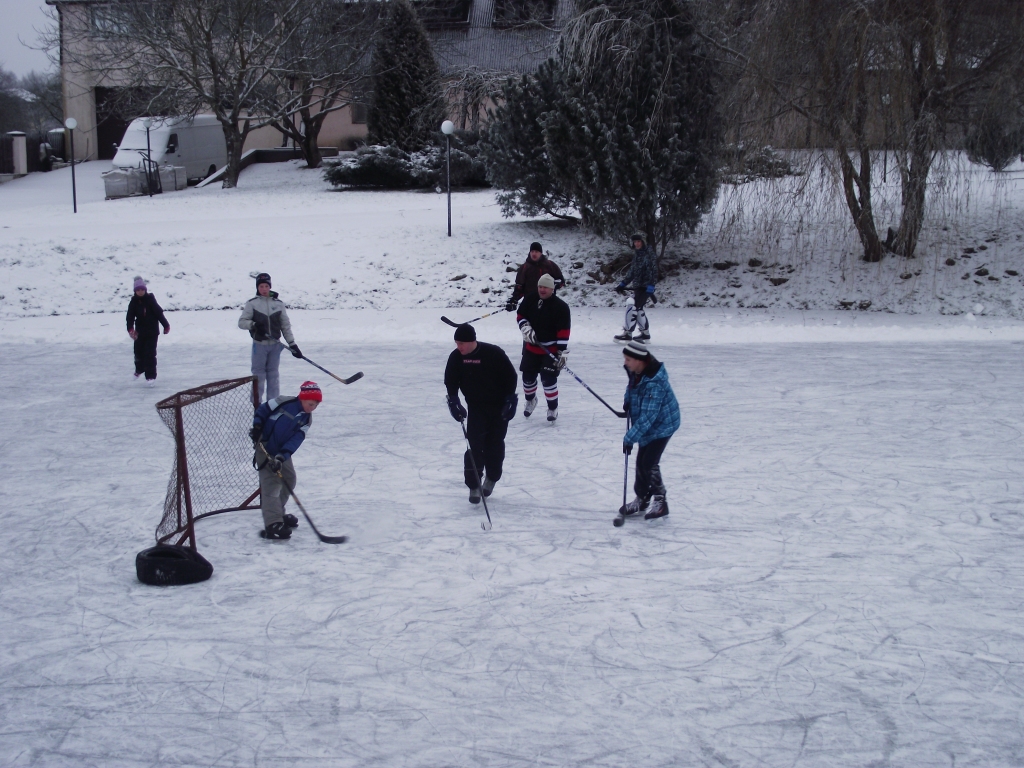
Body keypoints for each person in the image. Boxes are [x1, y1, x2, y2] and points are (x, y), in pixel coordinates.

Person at [444, 324, 518, 503]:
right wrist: (454, 402)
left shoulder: (493, 353)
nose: (459, 347)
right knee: (474, 446)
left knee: (494, 445)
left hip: (498, 408)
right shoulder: (456, 358)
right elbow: (451, 381)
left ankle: (492, 477)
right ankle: (474, 484)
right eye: (456, 343)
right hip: (476, 408)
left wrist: (510, 400)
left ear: (472, 341)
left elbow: (511, 377)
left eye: (462, 343)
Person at [250, 380, 322, 539]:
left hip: (281, 452)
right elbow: (262, 410)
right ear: (302, 398)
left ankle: (278, 512)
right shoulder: (283, 401)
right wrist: (257, 427)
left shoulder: (306, 419)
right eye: (311, 404)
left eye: (315, 406)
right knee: (271, 484)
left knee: (289, 479)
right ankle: (272, 523)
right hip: (265, 446)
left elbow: (296, 440)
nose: (312, 408)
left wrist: (282, 456)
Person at [621, 340, 680, 520]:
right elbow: (632, 389)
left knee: (649, 463)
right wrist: (627, 401)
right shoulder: (637, 372)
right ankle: (642, 498)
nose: (625, 363)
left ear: (640, 360)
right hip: (649, 424)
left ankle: (661, 501)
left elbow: (649, 416)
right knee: (641, 462)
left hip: (663, 425)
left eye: (628, 359)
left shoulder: (655, 383)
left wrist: (629, 438)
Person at [238, 272, 302, 402]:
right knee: (259, 375)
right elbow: (241, 323)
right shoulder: (252, 304)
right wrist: (254, 325)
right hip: (259, 345)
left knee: (273, 375)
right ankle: (257, 404)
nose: (264, 289)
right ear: (257, 288)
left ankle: (273, 404)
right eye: (261, 286)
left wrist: (292, 344)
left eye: (266, 286)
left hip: (275, 345)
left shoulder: (278, 304)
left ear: (270, 287)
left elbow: (285, 326)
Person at [515, 273, 570, 422]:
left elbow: (563, 332)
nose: (542, 289)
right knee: (527, 378)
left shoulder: (561, 307)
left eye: (545, 287)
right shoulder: (530, 299)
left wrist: (561, 353)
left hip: (550, 350)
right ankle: (531, 400)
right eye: (540, 286)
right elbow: (520, 315)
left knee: (548, 380)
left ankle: (552, 407)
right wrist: (525, 327)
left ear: (552, 289)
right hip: (532, 348)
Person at [126, 276, 170, 387]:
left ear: (145, 290)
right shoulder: (133, 302)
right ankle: (139, 369)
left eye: (142, 289)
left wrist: (166, 325)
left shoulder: (150, 300)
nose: (140, 292)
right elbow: (130, 317)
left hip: (152, 332)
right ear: (135, 291)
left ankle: (150, 376)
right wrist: (130, 328)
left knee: (149, 354)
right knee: (138, 352)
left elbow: (159, 314)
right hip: (140, 332)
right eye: (138, 290)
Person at [614, 234, 659, 343]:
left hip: (646, 287)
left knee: (633, 306)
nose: (637, 244)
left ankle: (628, 333)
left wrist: (651, 285)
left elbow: (654, 270)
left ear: (643, 242)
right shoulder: (637, 255)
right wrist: (622, 284)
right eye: (635, 242)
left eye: (639, 241)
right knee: (638, 309)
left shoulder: (649, 254)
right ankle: (645, 334)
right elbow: (632, 272)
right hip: (638, 286)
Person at [505, 242, 565, 311]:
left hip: (548, 303)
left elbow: (561, 281)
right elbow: (519, 287)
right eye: (532, 251)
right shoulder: (524, 267)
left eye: (536, 251)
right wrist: (514, 300)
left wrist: (554, 285)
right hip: (530, 303)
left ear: (540, 253)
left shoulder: (550, 265)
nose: (534, 254)